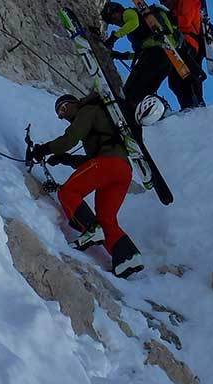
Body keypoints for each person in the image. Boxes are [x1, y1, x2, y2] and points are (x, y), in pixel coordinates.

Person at [28, 93, 141, 274]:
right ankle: (128, 257)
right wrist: (67, 159)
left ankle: (91, 229)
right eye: (59, 114)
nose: (62, 115)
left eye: (63, 108)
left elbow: (70, 140)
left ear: (74, 103)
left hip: (108, 164)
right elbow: (91, 161)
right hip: (122, 171)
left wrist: (44, 149)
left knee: (67, 192)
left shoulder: (87, 110)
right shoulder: (98, 119)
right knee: (106, 219)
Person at [101, 0, 201, 112]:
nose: (116, 23)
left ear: (117, 11)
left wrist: (114, 37)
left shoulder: (128, 13)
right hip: (165, 59)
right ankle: (136, 111)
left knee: (131, 89)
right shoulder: (139, 34)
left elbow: (134, 23)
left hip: (155, 55)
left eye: (113, 19)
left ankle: (127, 109)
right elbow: (141, 52)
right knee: (146, 90)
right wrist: (122, 56)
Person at [154, 0, 207, 106]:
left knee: (184, 77)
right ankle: (188, 105)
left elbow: (185, 22)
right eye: (162, 2)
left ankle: (196, 102)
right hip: (180, 44)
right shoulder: (174, 10)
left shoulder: (186, 1)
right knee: (174, 81)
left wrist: (168, 19)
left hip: (188, 43)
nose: (164, 3)